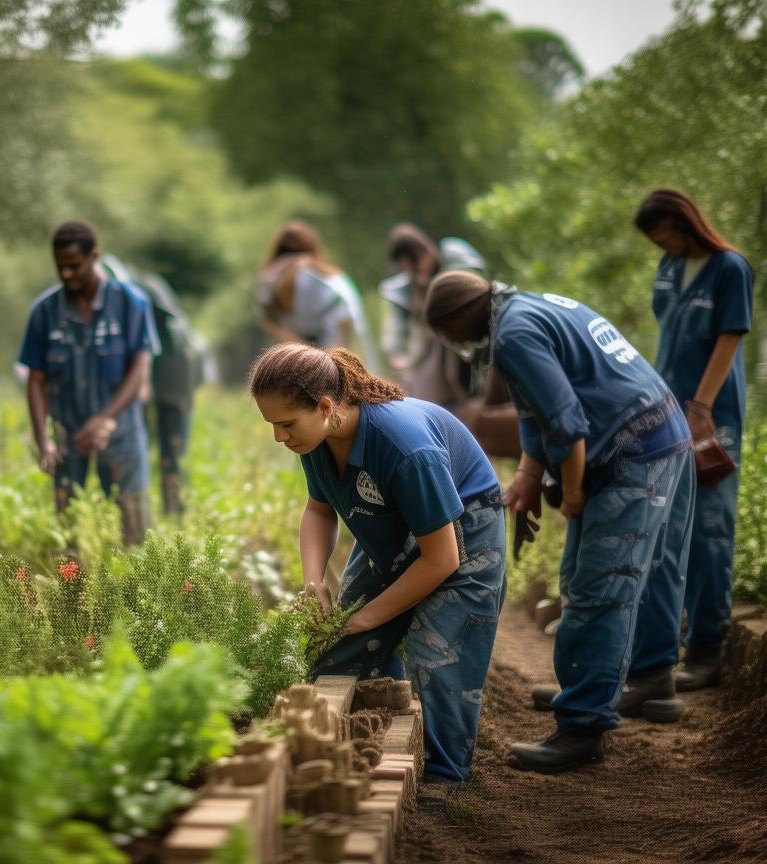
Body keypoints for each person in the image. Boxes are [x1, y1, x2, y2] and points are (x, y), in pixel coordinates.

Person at [425, 270, 696, 773]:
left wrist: (572, 493)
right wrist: (529, 475)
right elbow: (536, 409)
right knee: (625, 570)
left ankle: (582, 725)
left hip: (633, 452)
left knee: (600, 584)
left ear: (457, 323)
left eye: (449, 336)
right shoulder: (526, 308)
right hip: (659, 432)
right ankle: (644, 679)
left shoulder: (514, 334)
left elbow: (567, 422)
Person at [249, 342, 506, 792]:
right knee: (339, 648)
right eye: (273, 426)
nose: (280, 437)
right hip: (395, 525)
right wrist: (315, 584)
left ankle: (443, 776)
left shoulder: (405, 447)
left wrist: (369, 615)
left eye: (286, 424)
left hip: (461, 529)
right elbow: (319, 510)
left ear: (326, 406)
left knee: (437, 652)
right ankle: (382, 716)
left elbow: (443, 558)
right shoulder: (317, 438)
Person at [634, 189, 756, 691]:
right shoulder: (669, 264)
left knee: (709, 528)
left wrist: (701, 407)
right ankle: (669, 644)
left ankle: (707, 649)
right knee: (667, 526)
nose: (658, 242)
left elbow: (729, 340)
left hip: (712, 415)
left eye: (661, 232)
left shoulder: (730, 268)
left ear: (682, 223)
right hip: (666, 409)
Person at [18, 221, 159, 545]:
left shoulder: (130, 303)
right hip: (68, 435)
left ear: (94, 256)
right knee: (67, 528)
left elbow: (140, 367)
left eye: (74, 266)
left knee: (134, 526)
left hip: (121, 432)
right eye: (60, 267)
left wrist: (105, 417)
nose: (66, 274)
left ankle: (134, 588)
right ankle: (73, 590)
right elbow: (36, 379)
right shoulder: (44, 311)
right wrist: (43, 440)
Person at [101, 254, 203, 515]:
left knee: (172, 448)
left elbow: (164, 331)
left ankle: (174, 510)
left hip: (174, 368)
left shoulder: (147, 289)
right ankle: (132, 508)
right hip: (143, 369)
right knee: (138, 443)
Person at [380, 224, 486, 407]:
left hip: (465, 336)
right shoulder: (408, 286)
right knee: (424, 384)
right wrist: (396, 354)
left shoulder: (452, 258)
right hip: (432, 344)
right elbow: (398, 325)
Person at [257, 222, 379, 371]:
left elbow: (269, 321)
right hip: (333, 349)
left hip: (322, 349)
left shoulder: (271, 276)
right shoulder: (334, 279)